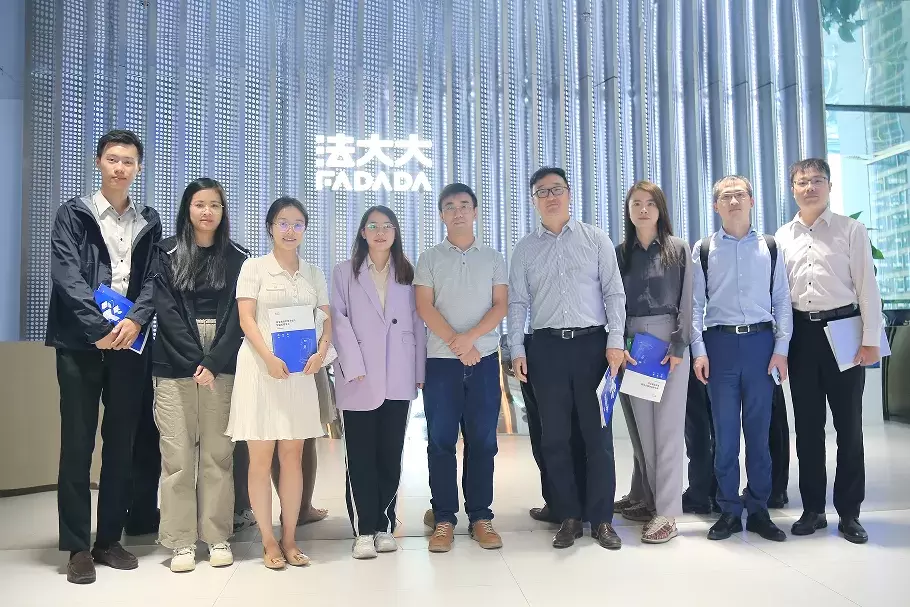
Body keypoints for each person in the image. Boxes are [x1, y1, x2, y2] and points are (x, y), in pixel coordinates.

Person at [47, 129, 161, 584]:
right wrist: (98, 329)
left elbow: (154, 280)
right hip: (81, 344)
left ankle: (108, 539)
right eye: (113, 159)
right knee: (77, 444)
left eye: (128, 161)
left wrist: (136, 321)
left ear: (138, 168)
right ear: (98, 162)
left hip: (129, 345)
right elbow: (67, 275)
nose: (120, 168)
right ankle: (77, 546)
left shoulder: (148, 220)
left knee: (121, 445)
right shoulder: (73, 213)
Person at [509, 166, 626, 550]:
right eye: (542, 192)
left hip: (593, 348)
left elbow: (614, 293)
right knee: (555, 438)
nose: (550, 196)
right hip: (546, 349)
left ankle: (602, 518)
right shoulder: (525, 249)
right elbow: (518, 303)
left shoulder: (595, 239)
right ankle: (569, 516)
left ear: (569, 193)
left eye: (556, 189)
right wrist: (517, 348)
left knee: (598, 436)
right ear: (534, 201)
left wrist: (615, 340)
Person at [776, 158, 882, 544]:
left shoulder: (850, 230)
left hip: (844, 331)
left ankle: (850, 513)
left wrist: (871, 339)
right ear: (793, 190)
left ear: (829, 186)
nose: (810, 188)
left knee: (849, 428)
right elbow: (779, 298)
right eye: (802, 182)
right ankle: (813, 510)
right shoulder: (782, 237)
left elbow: (867, 287)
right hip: (801, 335)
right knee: (807, 429)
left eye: (817, 180)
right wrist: (781, 347)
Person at [226, 197, 333, 569]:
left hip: (300, 374)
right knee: (260, 459)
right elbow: (246, 319)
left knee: (293, 457)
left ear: (305, 229)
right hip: (261, 370)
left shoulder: (313, 273)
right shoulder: (253, 267)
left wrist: (321, 353)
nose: (290, 230)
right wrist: (269, 358)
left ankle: (289, 539)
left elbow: (326, 320)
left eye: (297, 223)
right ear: (270, 227)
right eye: (283, 223)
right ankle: (268, 542)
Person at [151, 178, 248, 572]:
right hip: (175, 361)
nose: (207, 212)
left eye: (215, 205)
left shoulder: (238, 257)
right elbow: (166, 312)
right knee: (176, 457)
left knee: (217, 456)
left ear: (223, 212)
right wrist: (197, 361)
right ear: (187, 209)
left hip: (222, 360)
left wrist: (214, 361)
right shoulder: (166, 253)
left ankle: (217, 536)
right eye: (199, 204)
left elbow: (239, 317)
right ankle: (180, 542)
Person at [691, 175, 791, 542]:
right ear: (715, 206)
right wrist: (699, 351)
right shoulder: (704, 249)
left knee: (760, 435)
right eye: (726, 197)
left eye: (739, 195)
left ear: (751, 201)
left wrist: (781, 349)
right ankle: (729, 509)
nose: (733, 202)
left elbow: (781, 300)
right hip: (719, 346)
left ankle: (759, 508)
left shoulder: (771, 247)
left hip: (761, 346)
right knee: (725, 435)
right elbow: (695, 306)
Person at [415, 183, 508, 553]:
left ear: (475, 211)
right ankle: (444, 518)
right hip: (441, 362)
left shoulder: (493, 258)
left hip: (482, 361)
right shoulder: (429, 258)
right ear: (442, 215)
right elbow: (424, 306)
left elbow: (500, 305)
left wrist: (470, 340)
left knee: (483, 442)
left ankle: (481, 516)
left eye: (464, 205)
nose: (458, 212)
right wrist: (457, 342)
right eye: (450, 206)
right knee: (440, 442)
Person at [331, 205, 427, 559]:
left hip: (399, 374)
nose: (381, 232)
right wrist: (353, 364)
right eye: (373, 226)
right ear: (363, 232)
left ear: (396, 232)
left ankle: (385, 525)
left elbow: (418, 323)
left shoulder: (408, 273)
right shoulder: (344, 272)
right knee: (360, 456)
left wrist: (419, 372)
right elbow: (337, 320)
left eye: (388, 226)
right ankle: (364, 530)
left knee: (390, 453)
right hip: (358, 375)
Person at [613, 181, 693, 543]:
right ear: (628, 211)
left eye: (650, 203)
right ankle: (653, 502)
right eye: (636, 204)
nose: (643, 209)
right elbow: (613, 303)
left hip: (668, 343)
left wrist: (679, 345)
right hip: (634, 345)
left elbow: (688, 300)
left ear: (660, 209)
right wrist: (619, 343)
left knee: (668, 431)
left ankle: (668, 514)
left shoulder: (678, 249)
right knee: (644, 433)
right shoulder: (620, 254)